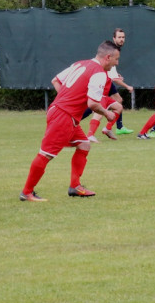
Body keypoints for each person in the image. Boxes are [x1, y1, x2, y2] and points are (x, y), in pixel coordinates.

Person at [20, 41, 120, 202]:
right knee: (46, 154)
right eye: (116, 59)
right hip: (64, 116)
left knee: (84, 144)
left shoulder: (80, 64)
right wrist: (107, 113)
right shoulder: (99, 73)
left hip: (61, 112)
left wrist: (66, 99)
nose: (117, 63)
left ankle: (75, 187)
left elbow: (55, 80)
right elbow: (93, 104)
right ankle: (27, 192)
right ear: (108, 57)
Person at [87, 28, 134, 141]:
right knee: (99, 107)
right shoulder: (111, 49)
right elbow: (106, 67)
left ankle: (112, 128)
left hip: (107, 80)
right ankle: (90, 134)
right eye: (119, 37)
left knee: (118, 103)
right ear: (114, 38)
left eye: (123, 37)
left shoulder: (115, 50)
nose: (122, 39)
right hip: (102, 80)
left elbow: (111, 69)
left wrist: (116, 74)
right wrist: (127, 86)